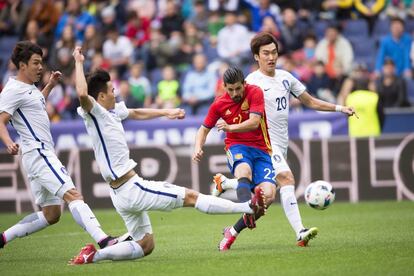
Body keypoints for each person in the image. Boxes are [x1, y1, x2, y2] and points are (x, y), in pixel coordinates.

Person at [69, 47, 266, 265]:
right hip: (131, 188)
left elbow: (135, 112)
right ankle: (247, 207)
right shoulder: (94, 112)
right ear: (101, 96)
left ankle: (94, 255)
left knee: (146, 245)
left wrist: (166, 112)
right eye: (112, 90)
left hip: (120, 194)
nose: (116, 93)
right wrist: (78, 61)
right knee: (192, 197)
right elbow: (81, 94)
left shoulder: (112, 111)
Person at [212, 32, 357, 248]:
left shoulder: (286, 78)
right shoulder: (250, 83)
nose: (271, 57)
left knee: (265, 200)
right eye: (265, 53)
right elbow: (233, 107)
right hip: (264, 145)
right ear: (256, 57)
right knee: (287, 180)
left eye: (274, 52)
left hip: (281, 144)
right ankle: (300, 232)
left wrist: (339, 108)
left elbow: (310, 101)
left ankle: (231, 229)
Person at [0, 41, 119, 252]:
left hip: (35, 155)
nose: (40, 67)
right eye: (35, 63)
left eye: (41, 62)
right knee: (73, 195)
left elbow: (34, 105)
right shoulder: (12, 90)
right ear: (22, 66)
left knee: (51, 214)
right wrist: (8, 142)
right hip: (39, 152)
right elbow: (1, 119)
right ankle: (104, 240)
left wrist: (49, 86)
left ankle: (3, 238)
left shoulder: (29, 89)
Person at [193, 67, 275, 251]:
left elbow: (254, 122)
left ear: (244, 84)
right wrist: (198, 147)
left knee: (268, 196)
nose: (235, 93)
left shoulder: (255, 92)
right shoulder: (218, 104)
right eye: (230, 89)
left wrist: (229, 127)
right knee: (244, 171)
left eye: (238, 88)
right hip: (237, 147)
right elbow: (203, 129)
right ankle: (245, 204)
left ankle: (233, 231)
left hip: (262, 150)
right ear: (224, 87)